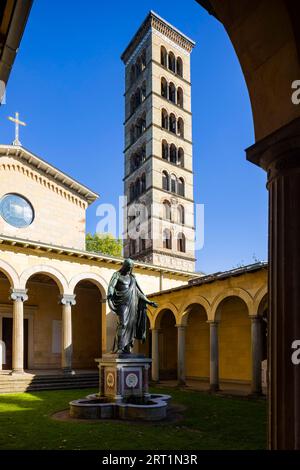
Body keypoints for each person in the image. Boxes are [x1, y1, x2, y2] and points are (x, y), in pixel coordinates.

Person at [107, 258, 158, 353]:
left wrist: (149, 301)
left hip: (132, 304)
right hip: (122, 303)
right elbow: (111, 286)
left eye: (130, 268)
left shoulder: (132, 278)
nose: (129, 269)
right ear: (124, 266)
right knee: (123, 324)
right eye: (127, 267)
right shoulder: (117, 275)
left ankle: (127, 348)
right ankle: (120, 347)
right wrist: (110, 293)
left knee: (131, 326)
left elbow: (138, 293)